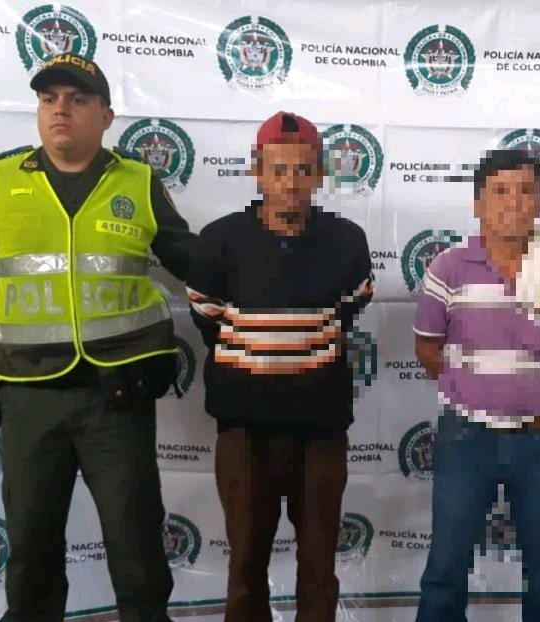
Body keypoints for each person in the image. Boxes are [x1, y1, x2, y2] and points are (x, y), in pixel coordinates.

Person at [0, 53, 196, 622]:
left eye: (78, 99)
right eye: (49, 99)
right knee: (31, 547)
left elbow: (189, 260)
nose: (60, 109)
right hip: (28, 393)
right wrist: (25, 324)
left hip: (118, 395)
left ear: (106, 116)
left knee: (137, 546)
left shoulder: (138, 179)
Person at [186, 111, 374, 622]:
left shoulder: (347, 241)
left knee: (318, 568)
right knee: (246, 567)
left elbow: (350, 309)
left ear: (319, 173)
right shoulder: (219, 240)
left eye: (302, 169)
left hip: (321, 430)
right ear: (257, 170)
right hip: (245, 431)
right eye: (278, 169)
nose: (290, 182)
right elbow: (207, 317)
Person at [413, 149, 540, 622]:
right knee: (446, 567)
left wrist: (532, 386)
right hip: (466, 438)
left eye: (525, 191)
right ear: (478, 204)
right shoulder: (449, 268)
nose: (513, 201)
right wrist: (475, 391)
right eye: (499, 191)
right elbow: (427, 347)